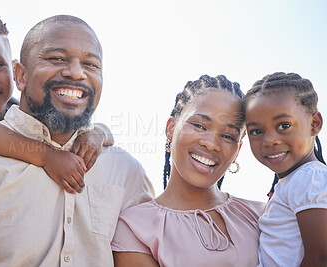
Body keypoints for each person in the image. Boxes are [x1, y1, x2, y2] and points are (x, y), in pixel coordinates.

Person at [0, 14, 154, 266]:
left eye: (90, 64)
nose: (76, 73)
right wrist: (48, 156)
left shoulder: (126, 172)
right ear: (21, 75)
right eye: (57, 58)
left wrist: (99, 132)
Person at [0, 8, 114, 193]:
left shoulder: (14, 108)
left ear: (15, 71)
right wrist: (48, 156)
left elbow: (107, 133)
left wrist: (97, 134)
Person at [112, 75, 266, 266]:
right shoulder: (134, 228)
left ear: (238, 150)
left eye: (227, 136)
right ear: (171, 128)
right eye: (199, 126)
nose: (211, 144)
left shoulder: (263, 216)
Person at [245, 72, 327, 267]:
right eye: (256, 131)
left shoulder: (309, 176)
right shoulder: (293, 181)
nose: (269, 140)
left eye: (284, 125)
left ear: (314, 124)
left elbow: (321, 256)